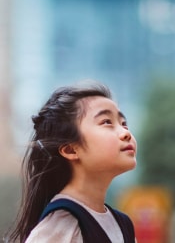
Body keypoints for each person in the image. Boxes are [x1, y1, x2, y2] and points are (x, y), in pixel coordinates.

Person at [7, 81, 137, 243]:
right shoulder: (61, 225)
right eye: (106, 122)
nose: (125, 133)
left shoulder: (123, 224)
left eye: (124, 123)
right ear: (70, 150)